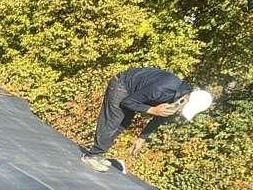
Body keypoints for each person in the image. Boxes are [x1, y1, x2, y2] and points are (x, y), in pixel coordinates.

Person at [81, 67, 213, 172]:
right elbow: (128, 102)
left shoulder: (178, 99)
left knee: (123, 123)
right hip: (122, 85)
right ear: (186, 98)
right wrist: (153, 110)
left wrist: (142, 138)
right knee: (113, 120)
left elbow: (159, 119)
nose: (180, 110)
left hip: (133, 93)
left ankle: (99, 153)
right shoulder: (163, 88)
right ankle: (92, 156)